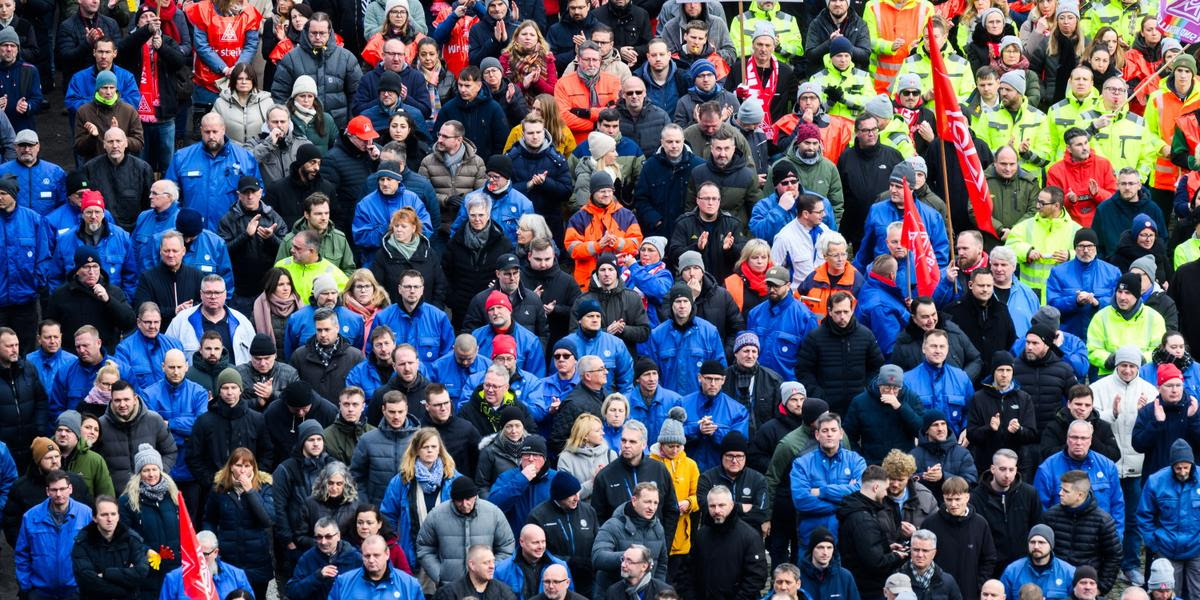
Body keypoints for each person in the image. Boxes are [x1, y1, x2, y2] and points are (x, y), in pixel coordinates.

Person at [164, 113, 262, 231]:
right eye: (207, 132)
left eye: (215, 132)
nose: (211, 136)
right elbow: (169, 196)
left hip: (233, 232)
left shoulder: (245, 158)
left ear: (223, 130)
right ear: (201, 131)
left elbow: (258, 194)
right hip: (193, 231)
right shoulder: (182, 157)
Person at [203, 447, 275, 600]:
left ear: (253, 468)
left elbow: (267, 519)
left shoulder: (264, 487)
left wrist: (250, 491)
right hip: (229, 560)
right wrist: (211, 542)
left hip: (257, 560)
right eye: (239, 465)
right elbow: (209, 519)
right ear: (231, 467)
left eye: (247, 466)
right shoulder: (219, 489)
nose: (243, 470)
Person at [416, 477, 516, 586]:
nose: (464, 504)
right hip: (449, 587)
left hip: (485, 586)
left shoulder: (493, 513)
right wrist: (439, 575)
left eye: (468, 499)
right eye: (459, 500)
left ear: (475, 496)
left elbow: (506, 546)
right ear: (453, 499)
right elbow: (424, 547)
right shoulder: (436, 515)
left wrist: (491, 570)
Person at [15, 469, 93, 598]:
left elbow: (94, 550)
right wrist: (26, 586)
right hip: (40, 591)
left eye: (62, 489)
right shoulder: (31, 517)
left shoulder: (85, 514)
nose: (58, 494)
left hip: (75, 590)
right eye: (54, 490)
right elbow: (22, 554)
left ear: (70, 489)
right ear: (47, 491)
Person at [1041, 470, 1122, 594]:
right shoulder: (1051, 516)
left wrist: (1101, 588)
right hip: (1055, 585)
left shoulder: (1103, 521)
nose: (1060, 493)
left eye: (1065, 491)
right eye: (1061, 489)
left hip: (1087, 586)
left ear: (1079, 495)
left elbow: (1114, 556)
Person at [117, 443, 181, 598]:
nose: (151, 474)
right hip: (146, 569)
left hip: (175, 567)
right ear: (139, 473)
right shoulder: (127, 501)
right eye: (146, 470)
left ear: (160, 470)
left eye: (154, 469)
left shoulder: (173, 496)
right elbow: (124, 533)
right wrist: (145, 551)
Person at [922, 477, 997, 600]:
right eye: (949, 499)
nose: (953, 504)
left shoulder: (980, 524)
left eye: (957, 499)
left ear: (967, 497)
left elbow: (989, 558)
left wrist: (978, 585)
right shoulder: (930, 524)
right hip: (938, 594)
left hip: (970, 592)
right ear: (943, 498)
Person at [71, 494, 150, 600]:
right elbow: (86, 580)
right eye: (104, 515)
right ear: (94, 518)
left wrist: (106, 574)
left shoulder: (132, 539)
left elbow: (141, 572)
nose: (109, 519)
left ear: (118, 516)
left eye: (113, 514)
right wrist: (125, 589)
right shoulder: (83, 542)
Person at [1086, 272, 1167, 375]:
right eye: (1119, 291)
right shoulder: (1101, 316)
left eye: (1127, 293)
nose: (1122, 297)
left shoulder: (1154, 317)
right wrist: (1110, 360)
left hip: (1143, 375)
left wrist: (1139, 360)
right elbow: (1092, 350)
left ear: (1137, 295)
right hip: (1109, 376)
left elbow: (1159, 350)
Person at [844, 365, 925, 464]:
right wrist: (860, 459)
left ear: (901, 386)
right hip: (872, 463)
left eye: (895, 388)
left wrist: (901, 408)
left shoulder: (911, 398)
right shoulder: (860, 402)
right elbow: (849, 436)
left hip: (903, 464)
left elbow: (921, 431)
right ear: (879, 385)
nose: (891, 392)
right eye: (886, 388)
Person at [328, 534, 424, 600]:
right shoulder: (344, 582)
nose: (371, 560)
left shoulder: (409, 584)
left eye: (376, 555)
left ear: (387, 554)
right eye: (367, 556)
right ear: (362, 555)